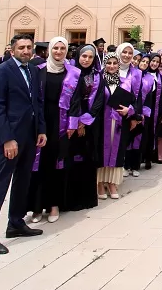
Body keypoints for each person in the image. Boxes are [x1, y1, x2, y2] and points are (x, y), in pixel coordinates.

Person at [0, 33, 46, 254]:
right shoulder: (1, 71)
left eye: (29, 47)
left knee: (22, 181)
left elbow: (38, 102)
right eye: (21, 48)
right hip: (10, 138)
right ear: (12, 49)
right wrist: (7, 138)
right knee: (0, 185)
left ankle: (15, 222)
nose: (26, 51)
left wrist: (41, 130)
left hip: (29, 136)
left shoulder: (33, 70)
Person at [26, 36, 73, 224]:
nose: (59, 52)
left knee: (56, 163)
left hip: (60, 124)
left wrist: (72, 123)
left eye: (62, 49)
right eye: (56, 48)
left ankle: (54, 204)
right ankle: (37, 207)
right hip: (40, 122)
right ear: (49, 50)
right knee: (37, 164)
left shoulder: (72, 73)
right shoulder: (38, 71)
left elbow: (76, 101)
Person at [64, 44, 103, 212]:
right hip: (71, 122)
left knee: (88, 158)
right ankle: (71, 200)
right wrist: (77, 121)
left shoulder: (97, 76)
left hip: (91, 122)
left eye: (90, 57)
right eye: (84, 56)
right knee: (72, 159)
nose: (86, 60)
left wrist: (85, 121)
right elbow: (71, 99)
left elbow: (100, 99)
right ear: (78, 56)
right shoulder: (70, 74)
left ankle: (86, 199)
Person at [96, 50, 138, 200]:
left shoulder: (125, 82)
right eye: (109, 63)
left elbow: (134, 101)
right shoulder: (99, 81)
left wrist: (130, 110)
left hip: (119, 123)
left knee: (116, 152)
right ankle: (100, 183)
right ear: (104, 64)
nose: (112, 66)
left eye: (115, 63)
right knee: (102, 151)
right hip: (102, 123)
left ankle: (112, 183)